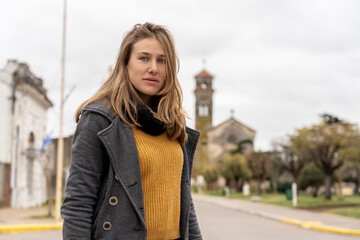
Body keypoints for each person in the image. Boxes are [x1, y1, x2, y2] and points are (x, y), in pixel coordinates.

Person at [61, 22, 203, 240]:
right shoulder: (100, 120)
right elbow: (78, 204)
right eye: (144, 58)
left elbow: (184, 202)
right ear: (126, 63)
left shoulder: (174, 124)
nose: (153, 68)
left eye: (162, 60)